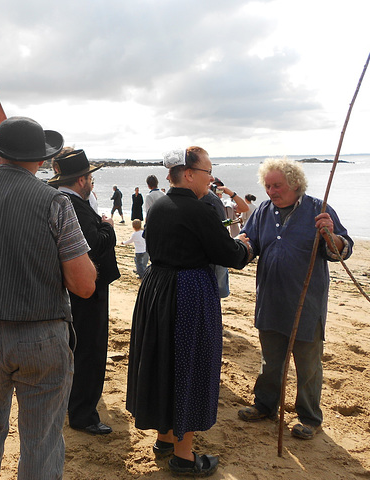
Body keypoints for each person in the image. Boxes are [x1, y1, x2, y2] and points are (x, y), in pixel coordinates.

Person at [0, 116, 96, 480]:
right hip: (40, 332)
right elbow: (84, 285)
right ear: (41, 160)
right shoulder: (54, 201)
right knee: (40, 438)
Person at [126, 147, 250, 477]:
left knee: (164, 361)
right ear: (190, 173)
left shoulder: (160, 206)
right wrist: (248, 245)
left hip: (157, 288)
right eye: (208, 172)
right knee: (190, 366)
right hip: (189, 292)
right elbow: (231, 255)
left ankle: (165, 438)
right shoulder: (200, 211)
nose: (212, 179)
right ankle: (183, 456)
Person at [237, 157, 353, 440]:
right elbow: (250, 243)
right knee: (270, 360)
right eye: (268, 186)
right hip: (270, 300)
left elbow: (343, 250)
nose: (272, 191)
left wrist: (331, 235)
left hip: (307, 305)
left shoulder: (319, 209)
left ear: (296, 184)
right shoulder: (263, 210)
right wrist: (241, 243)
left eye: (278, 185)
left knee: (308, 365)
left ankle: (309, 417)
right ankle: (265, 405)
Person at [48, 149, 120, 436]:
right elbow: (93, 244)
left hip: (74, 287)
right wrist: (108, 227)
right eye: (89, 176)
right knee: (90, 350)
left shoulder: (62, 200)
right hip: (89, 287)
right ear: (81, 180)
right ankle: (83, 414)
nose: (91, 181)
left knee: (78, 348)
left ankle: (76, 405)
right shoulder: (74, 205)